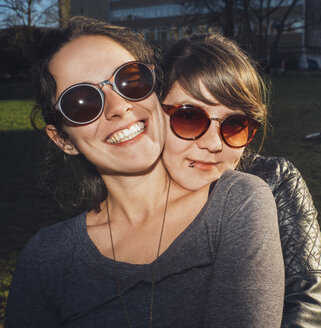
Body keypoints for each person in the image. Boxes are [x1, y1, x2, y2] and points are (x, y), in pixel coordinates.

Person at [5, 17, 284, 327]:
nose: (118, 107)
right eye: (81, 102)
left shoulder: (237, 203)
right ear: (62, 139)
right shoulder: (46, 260)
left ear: (156, 89)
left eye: (130, 80)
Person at [159, 34, 321, 327]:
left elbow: (308, 303)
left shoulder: (275, 180)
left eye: (235, 124)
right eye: (189, 117)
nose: (213, 144)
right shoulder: (125, 198)